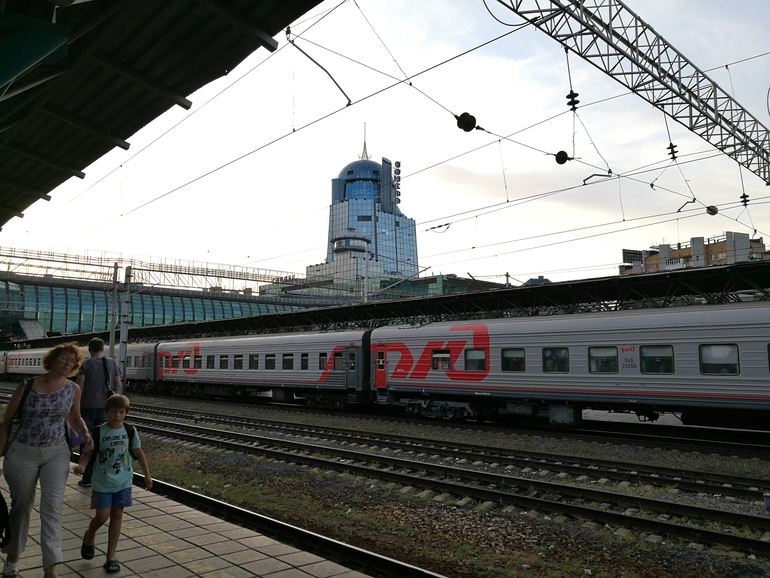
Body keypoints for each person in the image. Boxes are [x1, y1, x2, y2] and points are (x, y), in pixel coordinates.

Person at [0, 342, 92, 578]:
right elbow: (6, 422)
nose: (68, 364)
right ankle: (12, 560)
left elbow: (75, 418)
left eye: (72, 361)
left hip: (56, 452)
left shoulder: (73, 389)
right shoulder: (27, 385)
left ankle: (51, 569)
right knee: (21, 505)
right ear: (52, 359)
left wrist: (85, 434)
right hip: (23, 450)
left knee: (52, 508)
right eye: (64, 358)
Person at [74, 395, 152, 575]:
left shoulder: (129, 431)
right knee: (102, 517)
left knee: (117, 515)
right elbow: (88, 453)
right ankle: (90, 534)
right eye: (114, 412)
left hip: (123, 481)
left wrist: (147, 476)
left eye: (121, 412)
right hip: (102, 482)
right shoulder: (98, 432)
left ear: (126, 413)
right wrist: (82, 466)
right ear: (106, 412)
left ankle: (111, 557)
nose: (117, 415)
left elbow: (139, 453)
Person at [76, 338, 122, 488]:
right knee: (104, 441)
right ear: (103, 349)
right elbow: (117, 385)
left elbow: (79, 387)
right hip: (105, 408)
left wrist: (75, 404)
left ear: (89, 350)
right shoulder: (112, 363)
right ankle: (104, 476)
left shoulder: (85, 365)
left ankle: (87, 477)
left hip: (87, 407)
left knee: (87, 441)